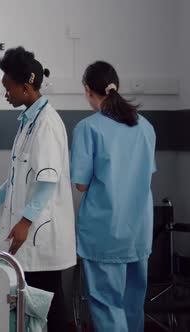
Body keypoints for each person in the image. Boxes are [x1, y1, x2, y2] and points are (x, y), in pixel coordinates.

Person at [0, 46, 76, 331]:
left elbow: (47, 181)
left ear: (25, 86)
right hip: (31, 233)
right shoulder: (29, 121)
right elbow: (19, 176)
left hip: (41, 233)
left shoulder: (47, 124)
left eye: (8, 87)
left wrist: (26, 222)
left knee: (51, 307)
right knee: (42, 305)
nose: (5, 94)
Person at [71, 61, 156, 332]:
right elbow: (145, 173)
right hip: (138, 231)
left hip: (104, 232)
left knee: (107, 306)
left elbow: (81, 185)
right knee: (133, 304)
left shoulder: (88, 128)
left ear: (88, 90)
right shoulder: (145, 126)